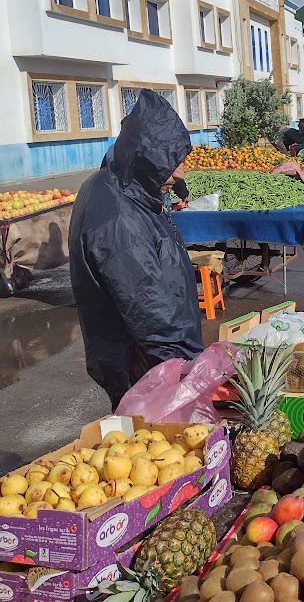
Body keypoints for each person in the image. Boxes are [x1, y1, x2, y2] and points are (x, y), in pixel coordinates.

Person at [69, 89, 204, 410]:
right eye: (170, 164)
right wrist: (190, 369)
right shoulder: (119, 218)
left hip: (149, 360)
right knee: (151, 441)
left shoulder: (128, 188)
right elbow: (148, 309)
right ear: (144, 160)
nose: (180, 173)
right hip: (142, 366)